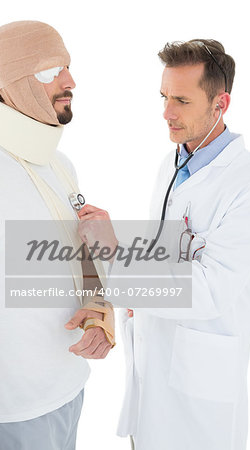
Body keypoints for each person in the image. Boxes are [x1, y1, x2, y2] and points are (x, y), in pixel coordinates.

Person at [77, 39, 250, 450]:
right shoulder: (175, 162)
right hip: (152, 373)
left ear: (220, 102)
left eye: (181, 100)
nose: (166, 113)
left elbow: (208, 290)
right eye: (164, 96)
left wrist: (116, 256)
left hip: (201, 395)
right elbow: (167, 254)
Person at [0, 20, 114, 450]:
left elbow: (83, 255)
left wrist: (99, 310)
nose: (70, 81)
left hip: (69, 385)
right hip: (14, 407)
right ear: (11, 83)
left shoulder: (61, 164)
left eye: (66, 67)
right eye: (51, 71)